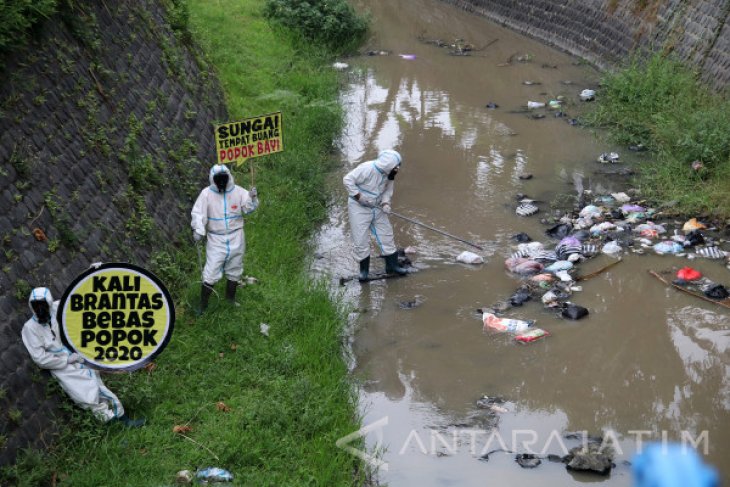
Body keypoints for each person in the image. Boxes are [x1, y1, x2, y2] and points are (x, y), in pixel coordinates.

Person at [21, 287, 144, 427]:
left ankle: (122, 420)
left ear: (49, 303)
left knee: (99, 387)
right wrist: (65, 360)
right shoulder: (30, 328)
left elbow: (80, 298)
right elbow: (40, 358)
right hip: (62, 367)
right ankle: (115, 425)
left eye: (43, 306)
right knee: (86, 395)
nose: (41, 309)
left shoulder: (57, 307)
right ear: (32, 308)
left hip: (78, 355)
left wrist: (93, 274)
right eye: (37, 307)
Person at [191, 163, 258, 312]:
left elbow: (247, 209)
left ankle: (230, 299)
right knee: (211, 270)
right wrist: (198, 229)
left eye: (224, 179)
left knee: (235, 267)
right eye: (218, 179)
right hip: (216, 239)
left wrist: (252, 198)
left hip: (236, 236)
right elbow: (198, 213)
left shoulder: (238, 192)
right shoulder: (206, 194)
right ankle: (203, 305)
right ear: (212, 179)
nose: (222, 182)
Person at [343, 149, 407, 281]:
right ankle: (364, 271)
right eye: (397, 166)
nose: (398, 169)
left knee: (387, 234)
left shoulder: (389, 174)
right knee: (360, 239)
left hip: (377, 206)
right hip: (358, 207)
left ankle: (392, 267)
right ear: (388, 165)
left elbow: (388, 190)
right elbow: (347, 179)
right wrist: (359, 196)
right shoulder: (367, 168)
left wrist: (385, 204)